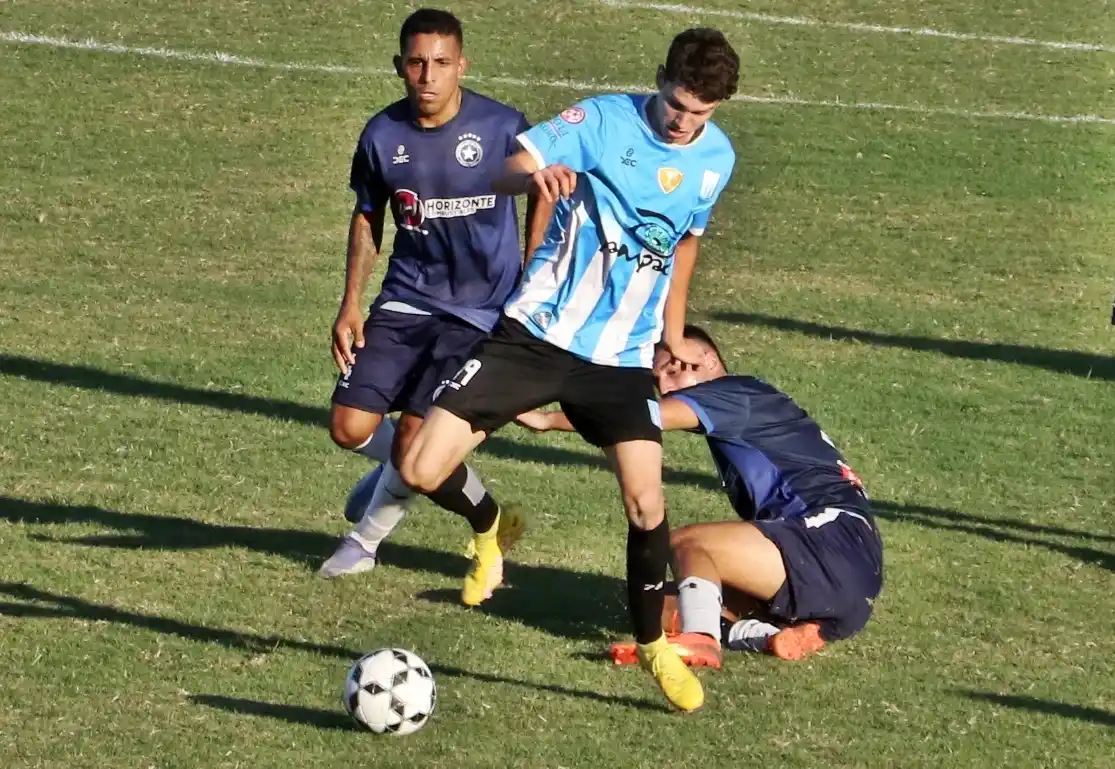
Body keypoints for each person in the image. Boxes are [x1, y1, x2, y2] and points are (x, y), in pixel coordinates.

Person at [399, 28, 740, 713]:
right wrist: (538, 174)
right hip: (536, 336)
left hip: (618, 360)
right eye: (676, 105)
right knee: (418, 469)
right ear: (659, 80)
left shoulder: (715, 159)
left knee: (647, 504)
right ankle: (491, 526)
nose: (682, 123)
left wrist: (671, 334)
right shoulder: (602, 119)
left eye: (699, 113)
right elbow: (503, 170)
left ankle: (651, 646)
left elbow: (684, 245)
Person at [319, 8, 545, 578]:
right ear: (399, 65)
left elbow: (546, 186)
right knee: (349, 428)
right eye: (417, 63)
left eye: (441, 63)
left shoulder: (501, 127)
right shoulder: (382, 135)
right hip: (406, 299)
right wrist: (351, 302)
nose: (428, 76)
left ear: (461, 65)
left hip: (480, 315)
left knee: (415, 448)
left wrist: (532, 268)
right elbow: (368, 217)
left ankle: (364, 544)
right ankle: (423, 480)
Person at [517, 325, 885, 669]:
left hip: (832, 543)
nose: (664, 384)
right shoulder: (745, 405)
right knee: (658, 611)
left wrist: (549, 419)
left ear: (709, 360)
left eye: (673, 369)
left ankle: (702, 639)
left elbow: (639, 418)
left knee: (687, 543)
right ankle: (769, 635)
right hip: (839, 573)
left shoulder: (736, 394)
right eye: (657, 378)